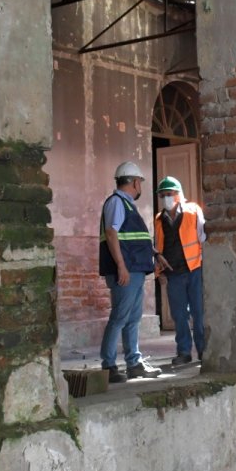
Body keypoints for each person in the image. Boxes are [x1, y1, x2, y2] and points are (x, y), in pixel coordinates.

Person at [98, 161, 162, 383]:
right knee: (119, 317)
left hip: (135, 270)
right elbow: (112, 233)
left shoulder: (126, 204)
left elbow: (132, 238)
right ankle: (108, 365)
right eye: (140, 183)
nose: (140, 186)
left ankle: (133, 363)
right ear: (135, 182)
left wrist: (154, 253)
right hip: (126, 271)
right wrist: (121, 266)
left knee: (133, 318)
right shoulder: (117, 203)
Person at [153, 176, 207, 366]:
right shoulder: (159, 219)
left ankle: (203, 349)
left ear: (179, 194)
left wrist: (204, 265)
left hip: (194, 270)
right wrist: (159, 273)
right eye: (163, 195)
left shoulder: (193, 211)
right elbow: (158, 247)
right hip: (173, 273)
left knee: (199, 312)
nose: (166, 198)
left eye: (170, 194)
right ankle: (184, 351)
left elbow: (203, 237)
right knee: (179, 315)